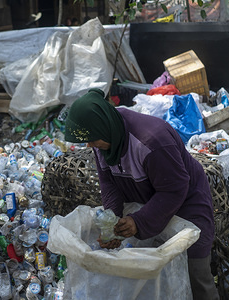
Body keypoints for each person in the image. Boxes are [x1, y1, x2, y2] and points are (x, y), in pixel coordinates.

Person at [64, 88, 219, 300]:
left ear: (104, 127)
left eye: (92, 139)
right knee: (159, 276)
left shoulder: (151, 140)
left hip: (187, 202)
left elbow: (174, 189)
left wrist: (139, 221)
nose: (89, 146)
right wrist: (112, 224)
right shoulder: (105, 140)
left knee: (196, 272)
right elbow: (109, 183)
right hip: (150, 201)